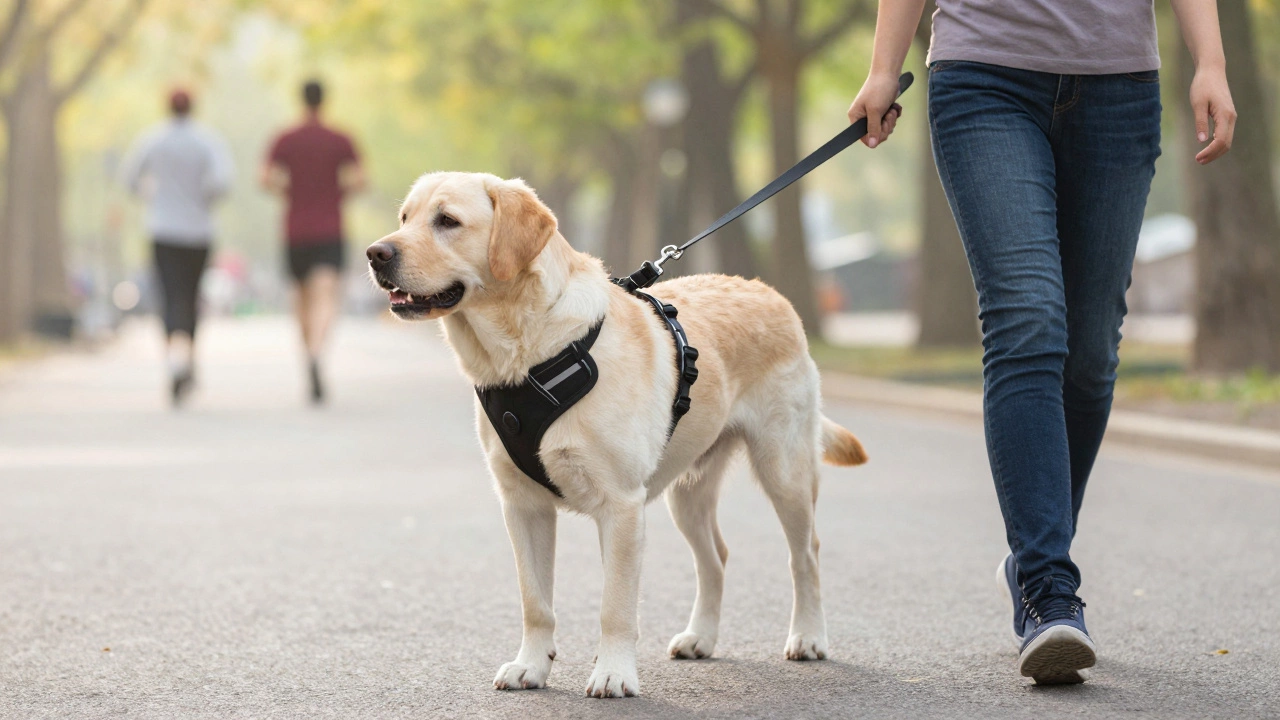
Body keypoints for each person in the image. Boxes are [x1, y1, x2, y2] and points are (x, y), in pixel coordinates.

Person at [848, 0, 1235, 685]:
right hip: (984, 74)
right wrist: (884, 67)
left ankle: (1033, 554)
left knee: (1090, 351)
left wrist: (1211, 61)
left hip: (1119, 85)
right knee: (1026, 320)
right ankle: (1048, 587)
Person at [122, 89, 234, 407]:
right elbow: (223, 182)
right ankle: (189, 358)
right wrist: (202, 198)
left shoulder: (153, 140)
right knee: (191, 296)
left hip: (163, 230)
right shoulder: (207, 141)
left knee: (170, 295)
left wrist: (151, 195)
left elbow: (130, 178)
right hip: (198, 232)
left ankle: (174, 358)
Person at [260, 80, 366, 405]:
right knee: (326, 295)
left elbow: (265, 178)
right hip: (330, 228)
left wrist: (287, 192)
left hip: (295, 230)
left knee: (301, 298)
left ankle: (308, 354)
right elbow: (361, 179)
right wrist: (339, 194)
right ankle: (319, 352)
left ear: (301, 99)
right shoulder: (340, 139)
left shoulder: (285, 139)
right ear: (324, 100)